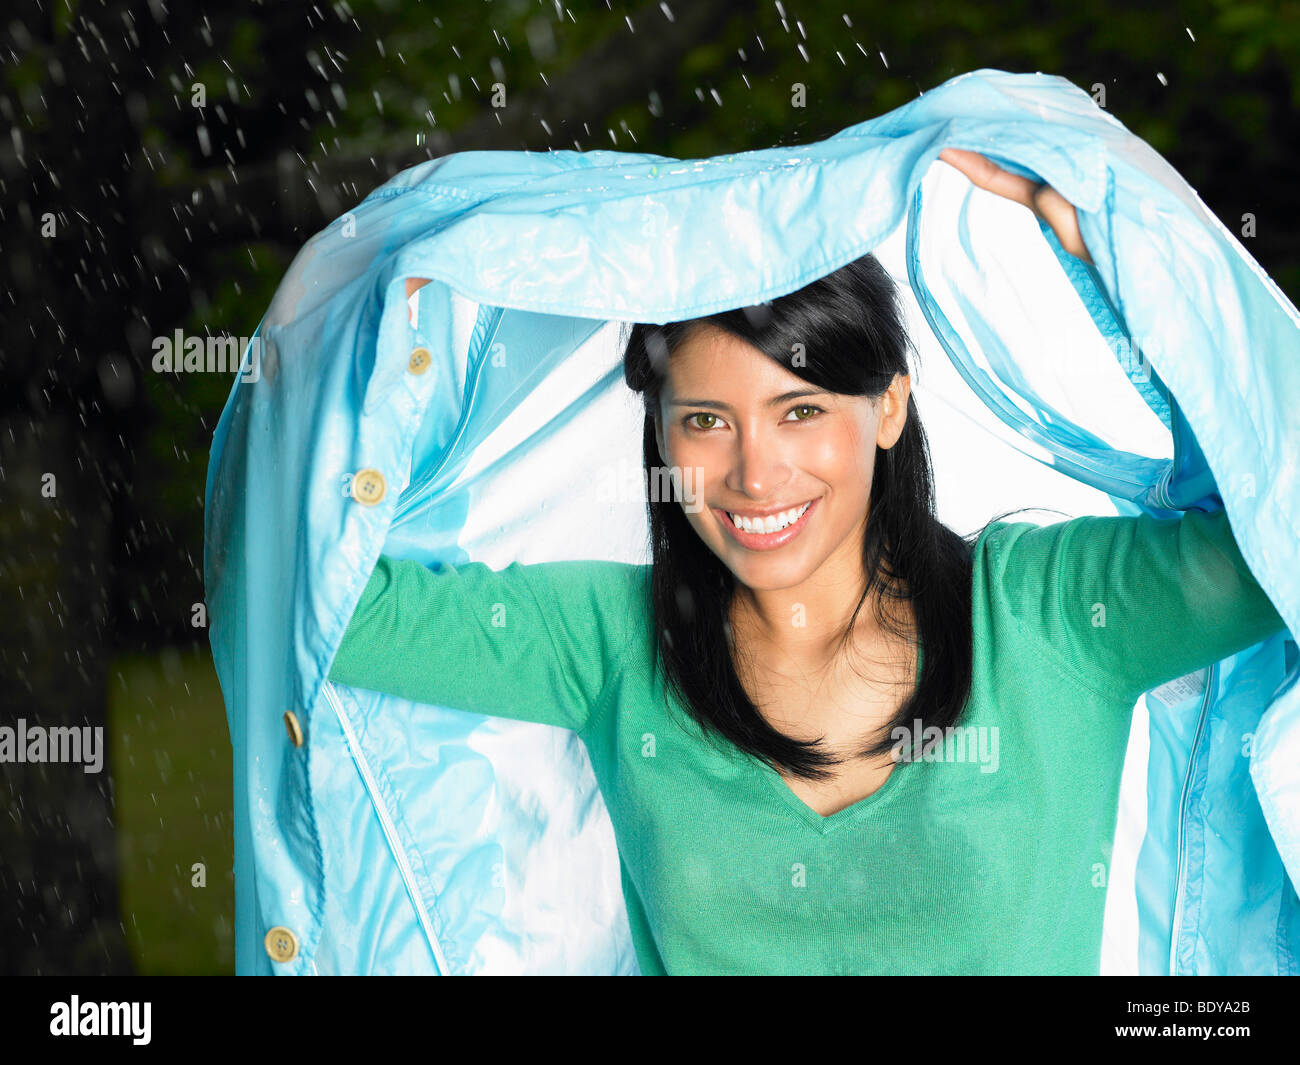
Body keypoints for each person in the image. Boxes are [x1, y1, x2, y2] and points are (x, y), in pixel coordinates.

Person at [327, 150, 1287, 975]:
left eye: (800, 411)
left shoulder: (1054, 615)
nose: (753, 473)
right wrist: (380, 354)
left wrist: (1132, 274)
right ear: (659, 435)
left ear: (890, 408)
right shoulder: (610, 640)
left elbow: (1283, 525)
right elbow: (310, 604)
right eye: (706, 421)